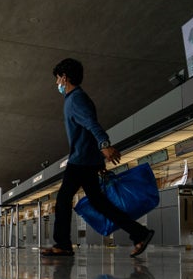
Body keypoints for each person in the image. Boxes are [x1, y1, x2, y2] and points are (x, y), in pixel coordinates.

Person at [42, 58, 154, 258]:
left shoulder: (76, 99)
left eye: (57, 78)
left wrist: (104, 145)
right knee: (99, 202)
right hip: (87, 160)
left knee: (63, 199)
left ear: (64, 78)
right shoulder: (74, 98)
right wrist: (98, 162)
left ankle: (63, 244)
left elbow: (92, 125)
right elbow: (86, 131)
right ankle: (139, 233)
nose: (56, 83)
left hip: (80, 160)